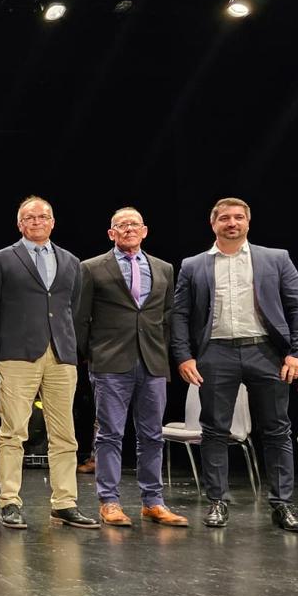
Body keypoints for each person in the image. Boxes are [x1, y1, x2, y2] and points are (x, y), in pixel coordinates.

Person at [172, 197, 298, 533]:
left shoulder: (275, 259)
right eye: (224, 218)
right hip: (215, 353)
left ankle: (282, 505)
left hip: (265, 351)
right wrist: (184, 355)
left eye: (238, 217)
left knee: (277, 429)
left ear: (248, 222)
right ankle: (218, 502)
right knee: (214, 431)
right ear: (213, 224)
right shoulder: (193, 265)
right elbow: (179, 315)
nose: (231, 223)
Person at [0, 196, 98, 529]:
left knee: (65, 434)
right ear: (20, 224)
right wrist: (10, 338)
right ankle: (10, 502)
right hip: (18, 355)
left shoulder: (71, 261)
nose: (37, 221)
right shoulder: (1, 260)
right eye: (29, 217)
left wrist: (66, 341)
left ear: (52, 222)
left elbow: (73, 307)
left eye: (43, 216)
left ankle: (64, 502)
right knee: (13, 431)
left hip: (62, 355)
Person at [76, 208, 188, 528]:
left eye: (134, 225)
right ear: (111, 233)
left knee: (152, 434)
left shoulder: (164, 269)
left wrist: (162, 351)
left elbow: (167, 317)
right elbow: (81, 318)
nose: (128, 229)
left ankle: (153, 501)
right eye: (121, 225)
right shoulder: (92, 268)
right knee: (110, 434)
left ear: (145, 230)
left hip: (152, 361)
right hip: (110, 362)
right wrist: (91, 354)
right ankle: (109, 501)